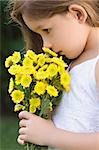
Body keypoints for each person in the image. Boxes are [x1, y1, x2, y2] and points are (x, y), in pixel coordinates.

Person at [8, 0, 99, 150]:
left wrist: (50, 135)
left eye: (47, 30)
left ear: (77, 14)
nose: (45, 45)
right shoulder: (71, 64)